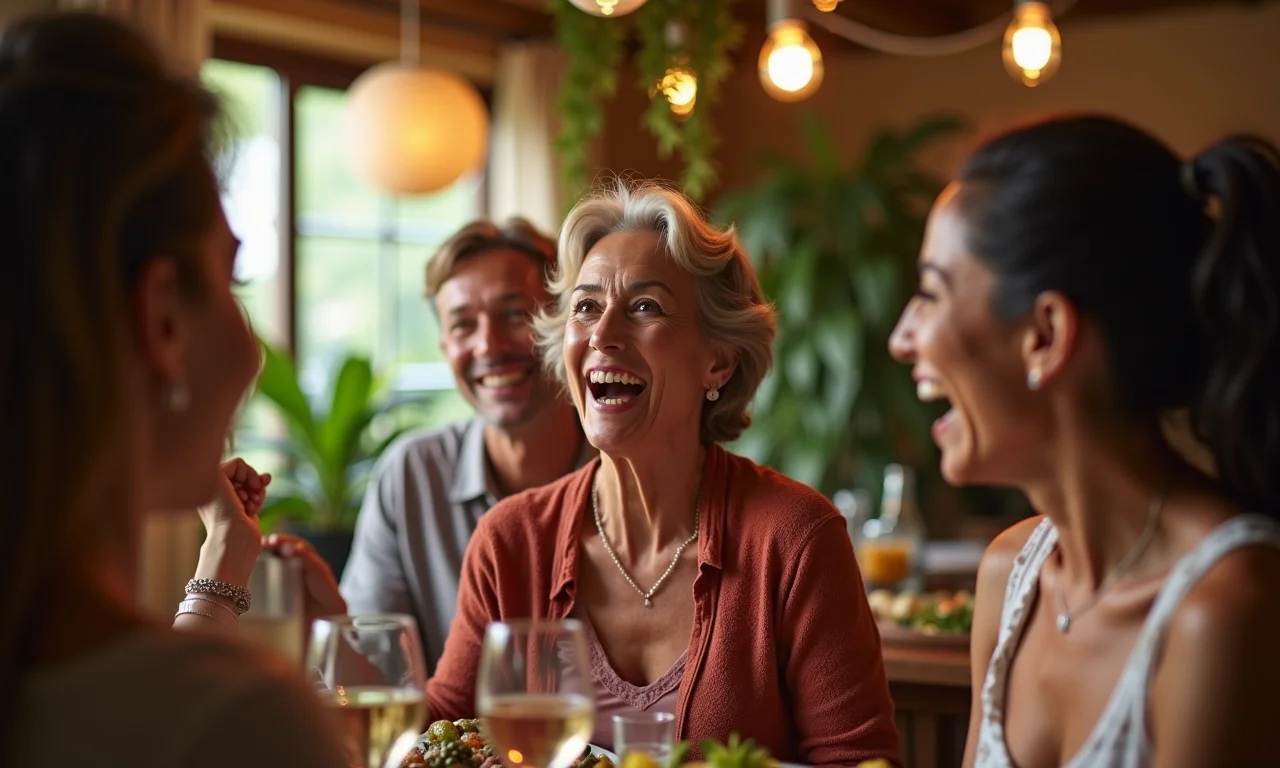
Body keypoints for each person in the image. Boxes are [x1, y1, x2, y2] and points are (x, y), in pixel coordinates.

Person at [426, 181, 902, 767]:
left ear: (719, 360)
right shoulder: (511, 540)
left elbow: (861, 761)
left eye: (645, 307)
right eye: (586, 307)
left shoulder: (795, 537)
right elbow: (436, 733)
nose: (603, 335)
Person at [3, 11, 348, 767]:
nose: (255, 350)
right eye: (233, 278)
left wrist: (225, 556)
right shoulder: (241, 718)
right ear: (162, 316)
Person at [887, 114, 1280, 767]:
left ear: (1045, 334)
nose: (903, 337)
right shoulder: (1009, 576)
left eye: (930, 294)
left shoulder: (1226, 608)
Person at [340, 218, 594, 671]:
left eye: (515, 315)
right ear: (443, 346)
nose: (488, 346)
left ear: (563, 322)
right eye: (463, 326)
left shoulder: (628, 473)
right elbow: (373, 671)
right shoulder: (410, 476)